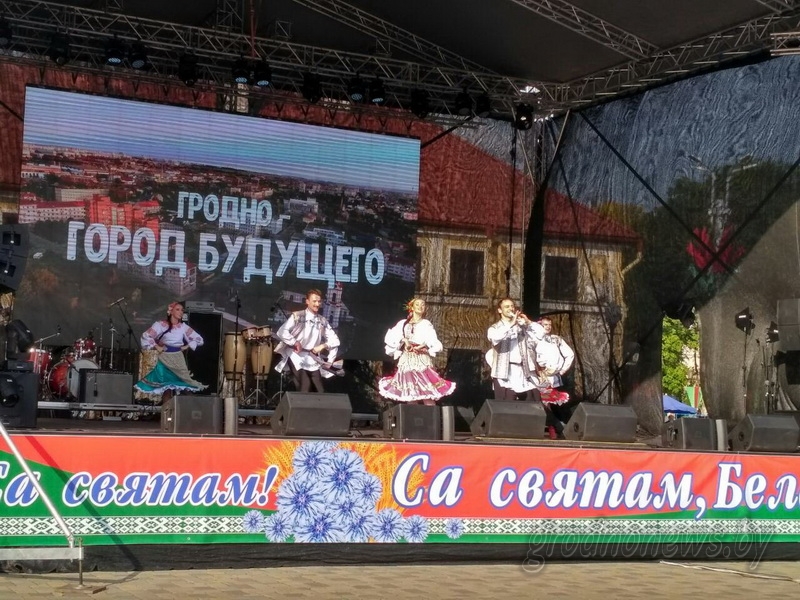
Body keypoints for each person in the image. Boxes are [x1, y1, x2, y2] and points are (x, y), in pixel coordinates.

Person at [486, 298, 564, 439]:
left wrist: (528, 322)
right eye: (506, 307)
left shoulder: (522, 327)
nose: (510, 309)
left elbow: (541, 333)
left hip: (524, 371)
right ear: (500, 310)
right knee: (506, 405)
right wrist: (511, 324)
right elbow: (495, 338)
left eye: (512, 306)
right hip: (505, 372)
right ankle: (504, 435)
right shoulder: (495, 328)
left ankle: (548, 429)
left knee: (534, 401)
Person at [378, 298, 455, 405]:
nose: (420, 306)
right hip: (407, 360)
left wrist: (422, 346)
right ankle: (412, 415)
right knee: (410, 393)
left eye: (423, 305)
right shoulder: (403, 323)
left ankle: (431, 415)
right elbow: (392, 337)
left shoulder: (426, 323)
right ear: (412, 307)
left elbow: (432, 340)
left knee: (427, 392)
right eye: (417, 304)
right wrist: (405, 341)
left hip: (420, 360)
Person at [134, 301, 206, 401]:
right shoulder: (161, 325)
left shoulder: (183, 327)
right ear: (171, 311)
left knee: (186, 386)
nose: (181, 312)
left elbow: (199, 339)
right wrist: (156, 346)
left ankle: (186, 409)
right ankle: (167, 410)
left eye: (182, 310)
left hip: (178, 359)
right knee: (167, 389)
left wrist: (187, 346)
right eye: (177, 309)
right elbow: (146, 335)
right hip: (165, 358)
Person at [274, 289, 341, 393]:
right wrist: (295, 342)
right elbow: (281, 331)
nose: (317, 304)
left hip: (312, 358)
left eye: (319, 301)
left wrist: (323, 346)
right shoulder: (298, 316)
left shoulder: (322, 321)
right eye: (314, 301)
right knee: (305, 385)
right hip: (296, 356)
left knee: (319, 390)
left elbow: (335, 341)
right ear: (307, 301)